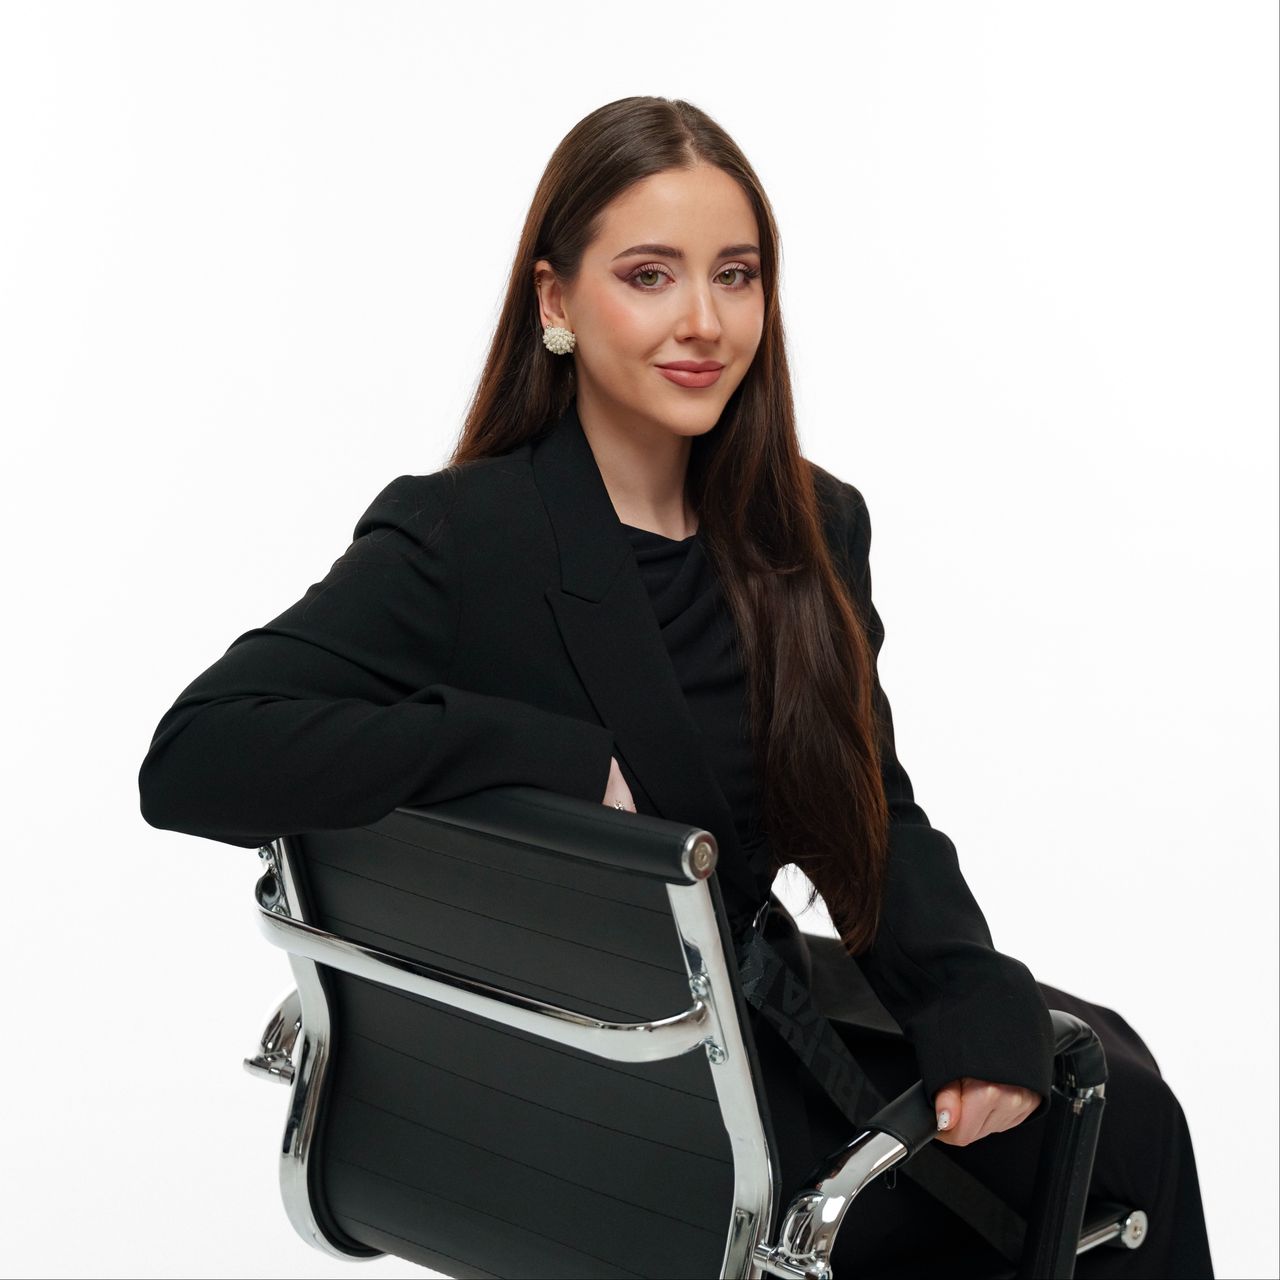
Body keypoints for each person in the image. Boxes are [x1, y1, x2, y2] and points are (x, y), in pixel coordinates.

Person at [137, 95, 1214, 1277]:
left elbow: (868, 809)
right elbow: (195, 755)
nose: (703, 319)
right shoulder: (465, 537)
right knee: (1123, 1128)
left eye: (735, 275)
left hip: (736, 1039)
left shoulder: (809, 526)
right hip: (651, 1116)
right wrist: (543, 759)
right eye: (649, 275)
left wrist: (961, 989)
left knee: (1100, 1078)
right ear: (555, 301)